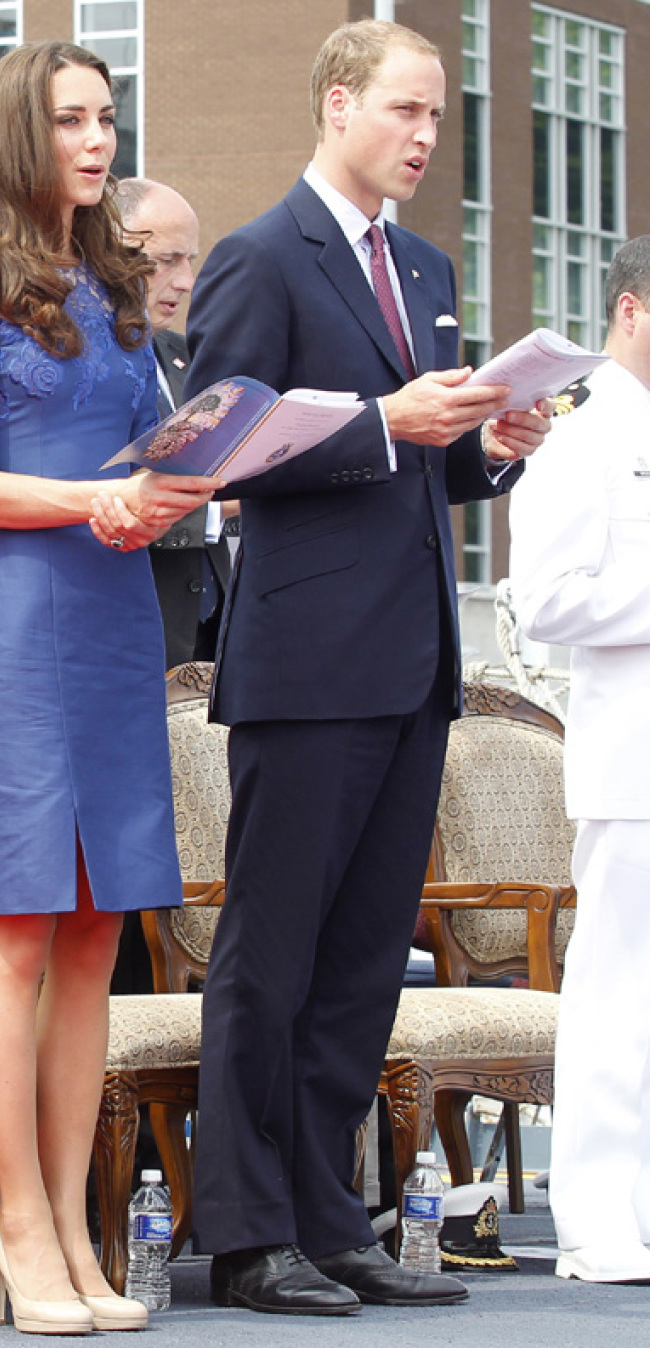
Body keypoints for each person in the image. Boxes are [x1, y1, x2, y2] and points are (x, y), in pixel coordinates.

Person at [184, 18, 553, 1316]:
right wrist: (374, 422)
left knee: (356, 969)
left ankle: (329, 1221)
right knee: (269, 958)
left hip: (410, 665)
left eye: (439, 117)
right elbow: (217, 456)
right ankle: (241, 1233)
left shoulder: (430, 266)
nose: (425, 135)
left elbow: (436, 468)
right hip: (300, 665)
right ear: (337, 105)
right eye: (406, 110)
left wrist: (492, 445)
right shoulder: (255, 261)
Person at [0, 41, 220, 1334]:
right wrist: (91, 496)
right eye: (73, 120)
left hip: (114, 626)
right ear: (15, 134)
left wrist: (172, 479)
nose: (97, 140)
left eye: (107, 117)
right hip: (27, 630)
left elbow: (129, 452)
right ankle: (19, 1225)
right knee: (24, 929)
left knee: (100, 937)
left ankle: (85, 1230)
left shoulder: (114, 281)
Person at [509, 235, 650, 1285]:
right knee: (616, 996)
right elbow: (546, 601)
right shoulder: (580, 439)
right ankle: (598, 1221)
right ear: (631, 311)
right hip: (631, 763)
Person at [116, 177, 232, 667]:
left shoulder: (187, 356)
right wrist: (214, 510)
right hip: (134, 636)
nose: (185, 281)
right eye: (167, 261)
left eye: (190, 260)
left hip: (217, 634)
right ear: (113, 252)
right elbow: (96, 493)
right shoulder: (79, 369)